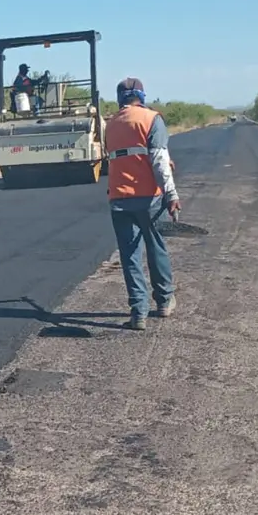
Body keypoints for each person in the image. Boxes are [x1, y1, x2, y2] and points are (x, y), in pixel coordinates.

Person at [103, 77, 180, 330]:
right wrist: (171, 194)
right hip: (149, 198)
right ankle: (164, 301)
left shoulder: (111, 124)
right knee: (156, 246)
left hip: (119, 199)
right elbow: (159, 161)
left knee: (129, 256)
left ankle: (138, 312)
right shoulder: (151, 119)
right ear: (142, 96)